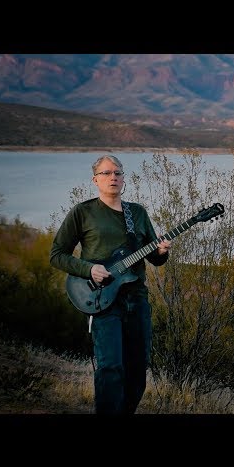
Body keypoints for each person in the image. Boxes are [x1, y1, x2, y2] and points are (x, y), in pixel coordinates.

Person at [50, 155, 171, 414]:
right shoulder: (83, 212)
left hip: (137, 299)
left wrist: (161, 251)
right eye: (106, 173)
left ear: (124, 178)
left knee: (137, 369)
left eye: (118, 172)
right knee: (110, 367)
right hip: (103, 300)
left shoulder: (136, 213)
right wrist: (89, 268)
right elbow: (57, 254)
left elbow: (153, 257)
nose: (113, 177)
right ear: (95, 180)